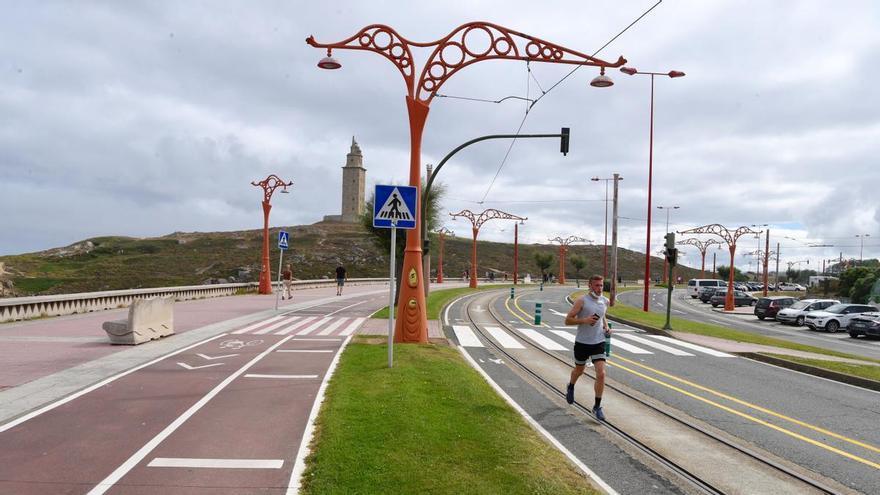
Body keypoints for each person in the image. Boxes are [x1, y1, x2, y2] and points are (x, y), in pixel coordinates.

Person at [564, 274, 611, 420]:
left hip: (598, 342)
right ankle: (571, 386)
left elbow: (602, 315)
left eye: (601, 285)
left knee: (601, 374)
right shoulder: (581, 301)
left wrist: (606, 327)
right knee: (579, 370)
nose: (599, 288)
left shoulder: (605, 301)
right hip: (582, 342)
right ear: (589, 286)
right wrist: (585, 320)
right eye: (596, 285)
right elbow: (567, 320)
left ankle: (597, 406)